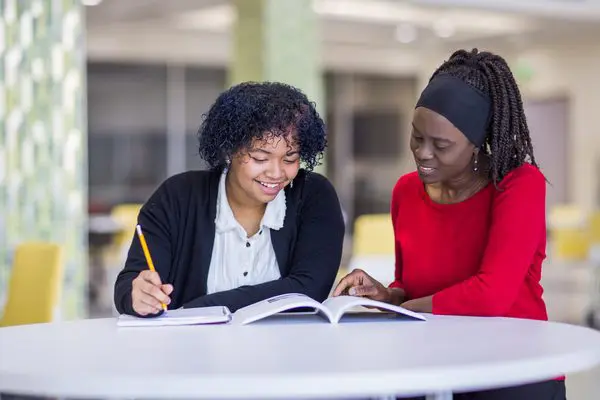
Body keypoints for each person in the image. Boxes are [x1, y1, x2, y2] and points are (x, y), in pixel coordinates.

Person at [333, 49, 566, 400]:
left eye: (441, 145)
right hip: (439, 363)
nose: (423, 153)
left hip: (517, 369)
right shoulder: (406, 192)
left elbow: (492, 296)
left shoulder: (518, 184)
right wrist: (388, 295)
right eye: (417, 137)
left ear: (475, 145)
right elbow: (414, 285)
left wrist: (405, 310)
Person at [114, 81, 345, 317]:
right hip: (189, 351)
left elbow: (308, 289)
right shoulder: (177, 198)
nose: (276, 173)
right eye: (260, 158)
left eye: (290, 158)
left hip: (288, 352)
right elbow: (131, 283)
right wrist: (138, 294)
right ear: (229, 150)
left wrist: (193, 310)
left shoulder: (314, 196)